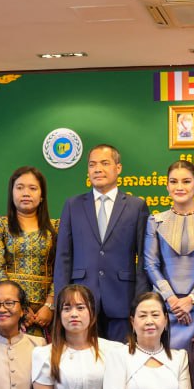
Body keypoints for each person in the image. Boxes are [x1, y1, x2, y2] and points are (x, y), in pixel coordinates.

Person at [53, 145, 149, 342]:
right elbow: (63, 257)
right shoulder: (73, 205)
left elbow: (143, 259)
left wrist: (141, 300)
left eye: (105, 163)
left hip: (123, 301)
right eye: (92, 164)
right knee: (83, 358)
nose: (98, 169)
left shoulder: (136, 206)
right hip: (81, 302)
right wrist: (61, 302)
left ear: (118, 168)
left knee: (121, 357)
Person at [144, 160, 194, 352]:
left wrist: (192, 299)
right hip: (163, 306)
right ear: (167, 186)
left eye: (186, 181)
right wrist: (171, 299)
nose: (179, 187)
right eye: (174, 182)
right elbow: (150, 264)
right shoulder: (155, 221)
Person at [0, 166, 58, 337]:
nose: (26, 193)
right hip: (5, 310)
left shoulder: (56, 228)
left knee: (43, 354)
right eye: (20, 187)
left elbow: (62, 269)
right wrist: (19, 307)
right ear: (12, 193)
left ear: (42, 195)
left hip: (45, 315)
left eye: (33, 188)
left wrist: (50, 305)